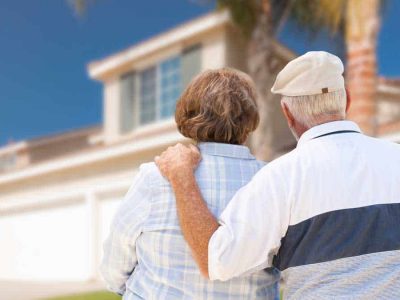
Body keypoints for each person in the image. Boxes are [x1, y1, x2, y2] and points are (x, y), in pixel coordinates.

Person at [155, 51, 400, 299]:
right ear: (347, 99)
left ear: (288, 113)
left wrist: (182, 176)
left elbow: (217, 261)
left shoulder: (279, 179)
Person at [101, 68, 280, 299]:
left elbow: (117, 258)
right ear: (249, 119)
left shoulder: (155, 177)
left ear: (189, 115)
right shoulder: (273, 181)